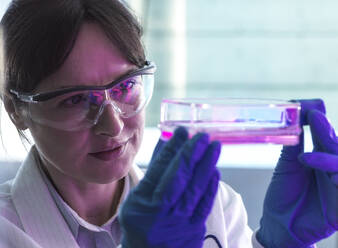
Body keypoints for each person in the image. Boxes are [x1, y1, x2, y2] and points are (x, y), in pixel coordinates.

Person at [0, 0, 336, 247]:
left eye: (125, 86)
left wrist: (277, 243)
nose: (113, 126)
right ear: (16, 109)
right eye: (74, 99)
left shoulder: (214, 204)